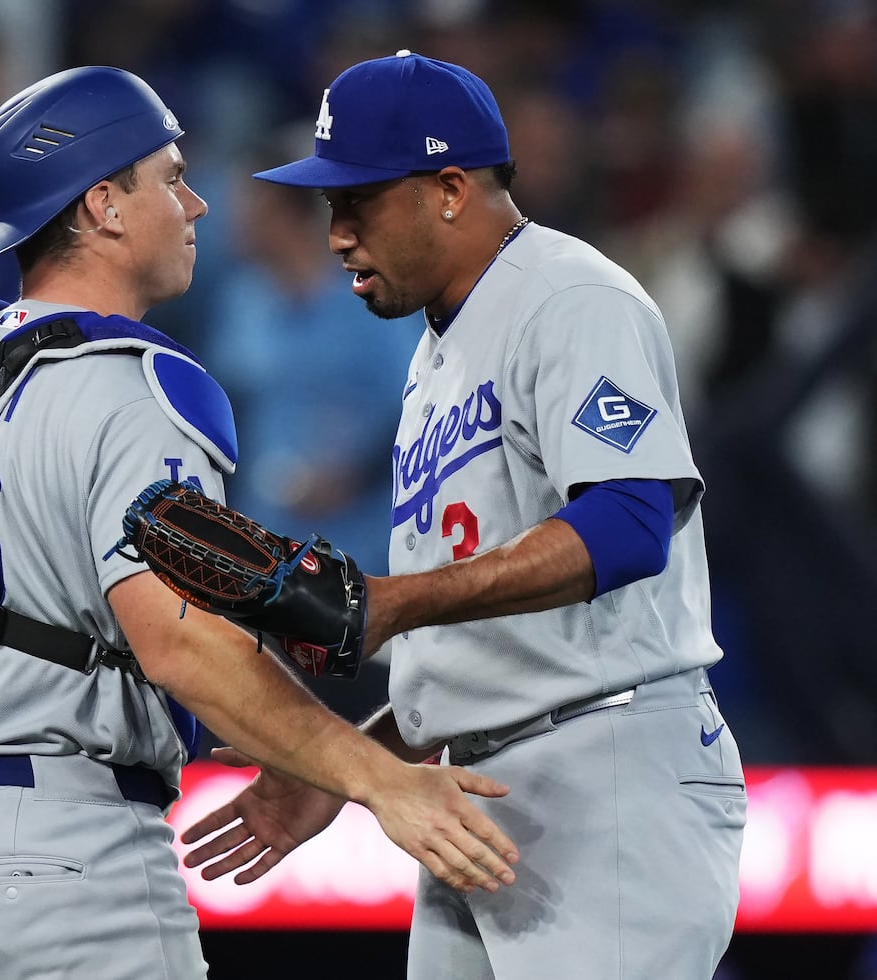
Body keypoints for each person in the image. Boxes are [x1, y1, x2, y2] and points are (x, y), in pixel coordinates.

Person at [0, 65, 520, 980]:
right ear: (104, 204)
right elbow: (182, 643)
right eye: (172, 178)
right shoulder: (136, 384)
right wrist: (380, 780)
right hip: (57, 845)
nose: (195, 206)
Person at [181, 51, 748, 980]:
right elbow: (479, 641)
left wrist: (394, 602)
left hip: (606, 772)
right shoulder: (440, 348)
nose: (337, 235)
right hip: (476, 781)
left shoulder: (571, 298)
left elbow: (631, 521)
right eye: (329, 206)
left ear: (449, 190)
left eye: (357, 201)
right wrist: (351, 766)